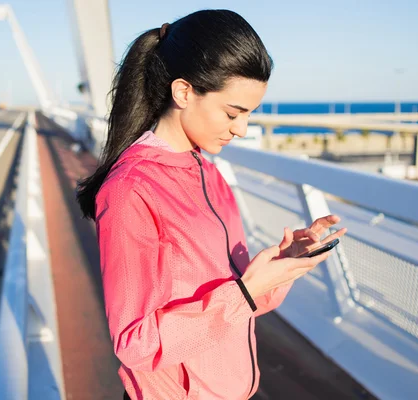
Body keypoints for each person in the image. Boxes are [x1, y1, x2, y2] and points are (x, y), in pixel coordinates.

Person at [76, 9, 347, 400]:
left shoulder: (209, 174)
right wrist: (245, 293)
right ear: (184, 92)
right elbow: (135, 343)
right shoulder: (131, 189)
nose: (242, 129)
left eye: (249, 114)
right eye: (232, 113)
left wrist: (282, 267)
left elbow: (239, 302)